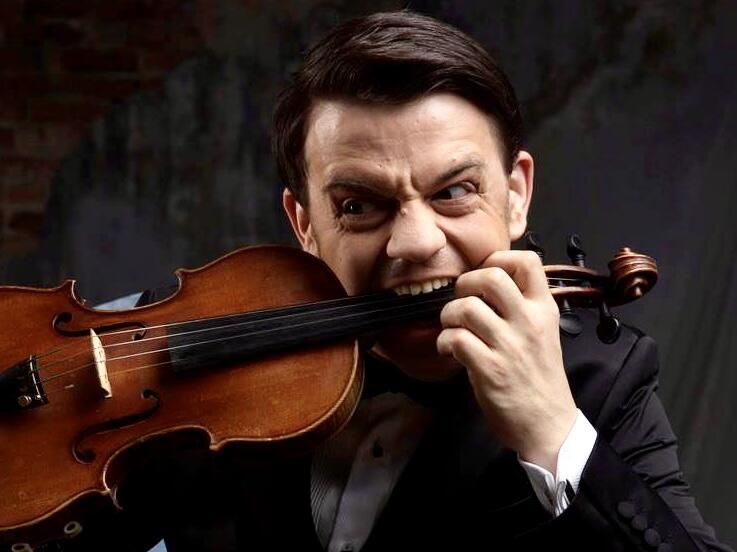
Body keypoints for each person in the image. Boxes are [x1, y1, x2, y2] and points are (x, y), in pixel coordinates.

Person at [117, 10, 729, 552]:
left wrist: (552, 431)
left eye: (454, 191)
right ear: (304, 224)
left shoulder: (602, 380)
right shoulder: (208, 359)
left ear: (516, 194)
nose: (415, 243)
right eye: (358, 205)